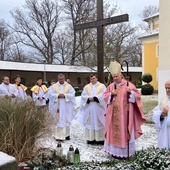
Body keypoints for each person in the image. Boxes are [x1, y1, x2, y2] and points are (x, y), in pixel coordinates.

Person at [103, 61, 146, 159]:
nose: (115, 78)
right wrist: (111, 94)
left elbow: (137, 97)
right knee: (114, 132)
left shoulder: (128, 85)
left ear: (121, 75)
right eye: (113, 77)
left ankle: (124, 153)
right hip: (113, 116)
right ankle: (114, 152)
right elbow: (104, 96)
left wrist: (131, 93)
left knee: (125, 132)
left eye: (116, 76)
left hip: (125, 116)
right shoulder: (111, 86)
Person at [75, 74, 107, 144]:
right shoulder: (87, 87)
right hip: (89, 108)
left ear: (97, 78)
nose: (92, 80)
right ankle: (90, 139)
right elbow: (83, 96)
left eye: (93, 78)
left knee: (99, 123)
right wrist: (88, 98)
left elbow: (104, 95)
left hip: (98, 107)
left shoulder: (102, 86)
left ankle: (100, 139)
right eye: (91, 79)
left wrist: (96, 98)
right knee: (90, 122)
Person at [48, 74, 76, 141]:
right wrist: (57, 95)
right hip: (58, 106)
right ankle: (59, 136)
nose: (61, 80)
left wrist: (65, 96)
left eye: (62, 79)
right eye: (60, 79)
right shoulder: (54, 86)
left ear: (64, 78)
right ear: (58, 79)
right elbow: (50, 94)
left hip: (66, 106)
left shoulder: (69, 86)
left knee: (66, 119)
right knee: (59, 120)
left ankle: (67, 135)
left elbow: (72, 94)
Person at [152, 80, 170, 149]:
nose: (167, 90)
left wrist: (168, 112)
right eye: (166, 88)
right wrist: (162, 114)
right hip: (164, 130)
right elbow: (156, 112)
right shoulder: (163, 99)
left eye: (169, 88)